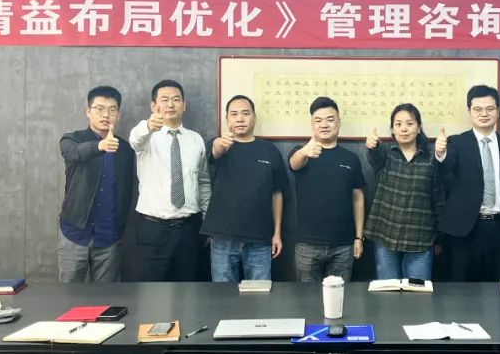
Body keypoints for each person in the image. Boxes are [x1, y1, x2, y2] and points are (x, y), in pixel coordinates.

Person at [435, 85, 500, 281]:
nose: (484, 114)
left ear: (498, 111)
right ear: (469, 112)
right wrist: (440, 154)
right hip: (466, 230)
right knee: (463, 292)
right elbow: (445, 170)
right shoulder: (456, 143)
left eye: (490, 108)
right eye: (478, 109)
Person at [129, 79, 211, 281]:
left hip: (189, 228)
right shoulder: (146, 137)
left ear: (184, 105)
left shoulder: (196, 139)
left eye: (176, 99)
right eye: (164, 100)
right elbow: (135, 140)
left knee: (188, 289)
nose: (170, 104)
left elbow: (203, 182)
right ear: (153, 106)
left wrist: (207, 220)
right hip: (153, 230)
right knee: (152, 291)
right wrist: (148, 126)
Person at [201, 95, 288, 282]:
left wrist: (277, 233)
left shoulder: (270, 151)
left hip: (260, 238)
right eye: (234, 114)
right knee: (223, 295)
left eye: (245, 113)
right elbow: (215, 151)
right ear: (227, 119)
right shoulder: (221, 145)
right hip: (223, 238)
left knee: (260, 295)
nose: (240, 118)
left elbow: (277, 194)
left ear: (254, 117)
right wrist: (220, 143)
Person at [57, 86, 137, 282]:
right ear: (88, 111)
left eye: (112, 109)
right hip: (74, 233)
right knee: (68, 293)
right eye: (99, 109)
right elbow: (73, 153)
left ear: (118, 115)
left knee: (106, 296)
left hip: (109, 237)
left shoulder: (125, 149)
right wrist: (99, 146)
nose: (105, 115)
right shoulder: (72, 139)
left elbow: (127, 191)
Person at [288, 97, 365, 282]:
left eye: (330, 119)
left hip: (343, 245)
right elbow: (294, 163)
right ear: (312, 124)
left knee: (339, 297)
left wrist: (358, 237)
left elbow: (358, 199)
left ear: (339, 122)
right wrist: (304, 152)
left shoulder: (351, 159)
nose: (324, 124)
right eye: (318, 120)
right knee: (307, 298)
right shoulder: (302, 153)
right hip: (307, 245)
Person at [364, 103, 444, 280]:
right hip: (385, 235)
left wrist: (439, 239)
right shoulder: (385, 152)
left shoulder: (431, 159)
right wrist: (372, 146)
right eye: (398, 124)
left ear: (419, 127)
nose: (404, 129)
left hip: (420, 237)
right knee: (387, 292)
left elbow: (438, 200)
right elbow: (373, 156)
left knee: (418, 293)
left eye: (409, 123)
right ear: (392, 129)